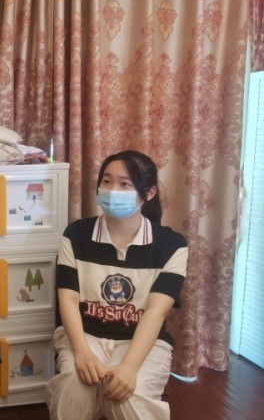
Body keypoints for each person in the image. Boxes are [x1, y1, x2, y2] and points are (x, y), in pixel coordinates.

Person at [46, 150, 188, 420]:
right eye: (107, 181)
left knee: (124, 398)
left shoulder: (172, 245)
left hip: (142, 341)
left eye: (125, 184)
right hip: (85, 335)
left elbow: (156, 311)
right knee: (75, 389)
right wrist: (82, 353)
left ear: (149, 193)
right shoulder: (75, 235)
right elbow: (68, 300)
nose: (112, 190)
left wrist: (130, 366)